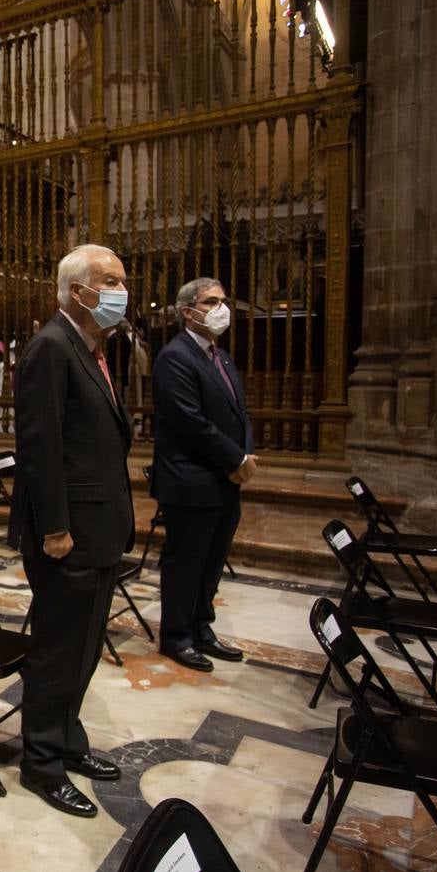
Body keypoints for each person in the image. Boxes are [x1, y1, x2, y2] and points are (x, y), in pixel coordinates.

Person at [8, 244, 134, 819]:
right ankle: (41, 763)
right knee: (59, 651)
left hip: (99, 527)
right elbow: (41, 447)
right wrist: (55, 526)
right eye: (109, 282)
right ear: (77, 291)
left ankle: (69, 742)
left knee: (84, 648)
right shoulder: (50, 348)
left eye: (121, 281)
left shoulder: (94, 348)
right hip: (69, 533)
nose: (119, 292)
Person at [151, 278, 257, 672]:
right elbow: (189, 422)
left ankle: (202, 627)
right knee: (186, 563)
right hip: (191, 480)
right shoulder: (174, 357)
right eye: (211, 302)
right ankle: (176, 636)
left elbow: (240, 413)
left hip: (224, 479)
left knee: (213, 562)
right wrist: (234, 461)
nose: (221, 308)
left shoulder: (221, 357)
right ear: (187, 311)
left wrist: (244, 454)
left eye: (223, 301)